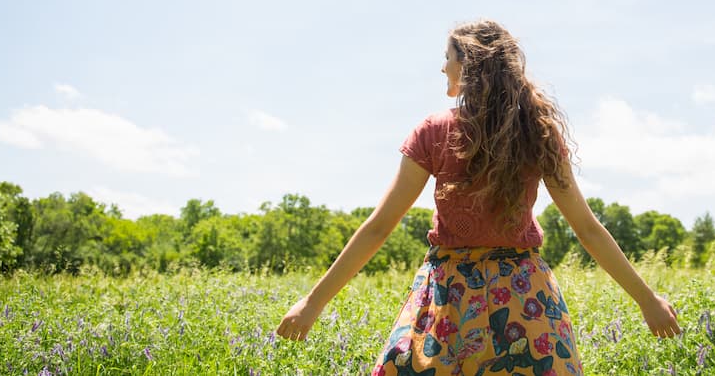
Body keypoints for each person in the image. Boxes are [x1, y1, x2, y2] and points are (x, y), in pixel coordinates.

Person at [276, 20, 682, 374]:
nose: (442, 66)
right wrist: (648, 301)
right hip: (525, 298)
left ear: (468, 64)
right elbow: (588, 230)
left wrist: (312, 304)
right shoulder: (533, 132)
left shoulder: (437, 131)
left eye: (447, 56)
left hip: (450, 299)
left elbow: (379, 227)